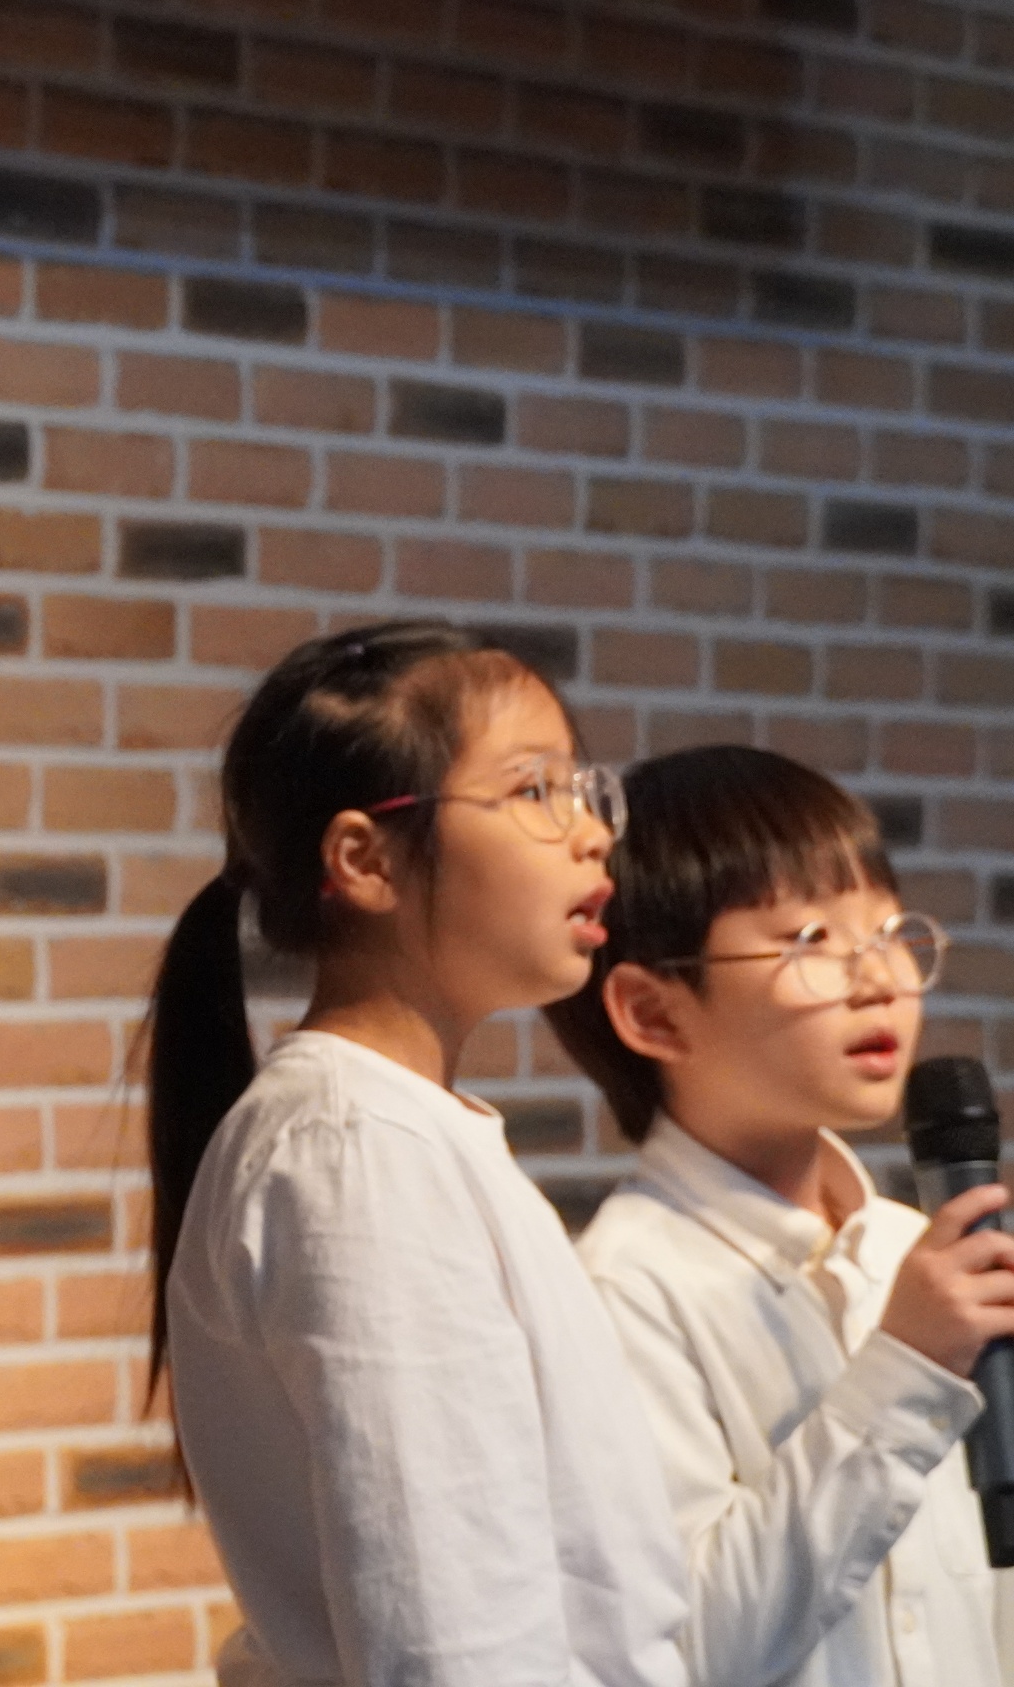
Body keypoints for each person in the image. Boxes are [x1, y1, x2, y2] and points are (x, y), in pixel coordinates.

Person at [147, 622, 689, 1686]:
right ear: (366, 858)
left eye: (584, 791)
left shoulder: (395, 1129)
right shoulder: (357, 1154)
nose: (592, 834)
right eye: (534, 791)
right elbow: (451, 1642)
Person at [553, 744, 1014, 1686]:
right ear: (655, 1013)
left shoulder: (912, 1249)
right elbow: (689, 1646)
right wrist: (907, 1371)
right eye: (811, 941)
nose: (880, 978)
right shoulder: (622, 1290)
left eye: (888, 930)